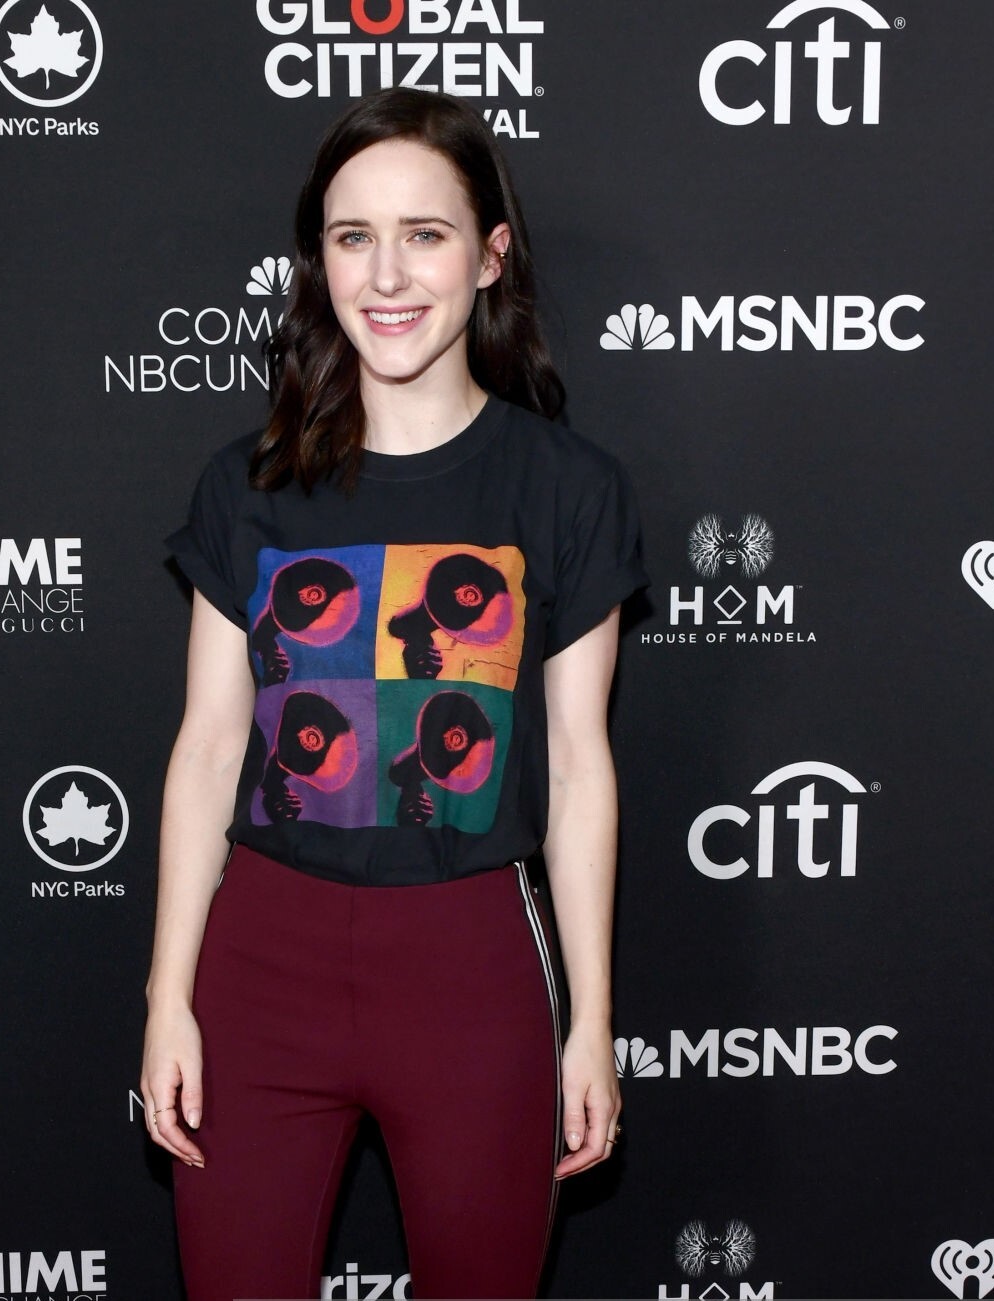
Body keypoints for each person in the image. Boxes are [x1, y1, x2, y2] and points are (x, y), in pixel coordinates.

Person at [141, 86, 649, 1301]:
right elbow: (208, 748)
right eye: (351, 236)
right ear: (318, 261)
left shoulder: (567, 488)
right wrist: (167, 995)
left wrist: (590, 1017)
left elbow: (577, 766)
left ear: (491, 255)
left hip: (471, 970)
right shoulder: (249, 484)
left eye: (425, 233)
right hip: (259, 968)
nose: (386, 274)